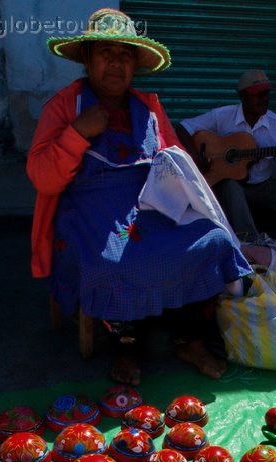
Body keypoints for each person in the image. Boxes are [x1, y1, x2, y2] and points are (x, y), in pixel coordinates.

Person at [27, 8, 253, 385]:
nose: (116, 63)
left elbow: (176, 158)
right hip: (88, 208)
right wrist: (77, 133)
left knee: (212, 240)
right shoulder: (65, 107)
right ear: (87, 58)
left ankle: (188, 338)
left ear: (135, 65)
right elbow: (42, 178)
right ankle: (127, 347)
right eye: (106, 53)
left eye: (125, 55)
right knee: (113, 261)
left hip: (148, 204)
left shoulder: (148, 107)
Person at [175, 69, 276, 245]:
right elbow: (183, 127)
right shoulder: (223, 115)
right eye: (258, 94)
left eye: (267, 93)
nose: (265, 99)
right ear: (243, 96)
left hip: (264, 186)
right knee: (231, 186)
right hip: (232, 187)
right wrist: (197, 158)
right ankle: (251, 241)